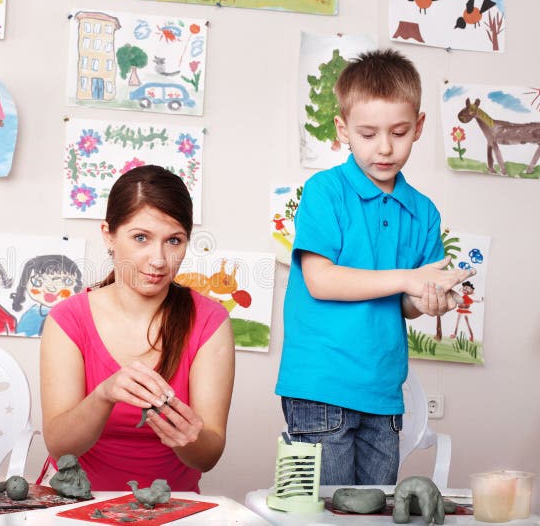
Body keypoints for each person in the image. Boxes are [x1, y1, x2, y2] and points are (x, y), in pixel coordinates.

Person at [275, 49, 476, 485]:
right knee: (322, 512)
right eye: (368, 134)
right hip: (319, 385)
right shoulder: (324, 192)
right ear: (343, 130)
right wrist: (409, 277)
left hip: (385, 391)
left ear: (418, 127)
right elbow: (321, 280)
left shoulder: (423, 212)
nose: (384, 148)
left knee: (377, 511)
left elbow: (405, 304)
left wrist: (429, 299)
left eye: (399, 132)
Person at [40, 165, 235, 492]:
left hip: (174, 508)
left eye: (174, 240)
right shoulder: (68, 319)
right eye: (141, 238)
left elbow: (207, 457)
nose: (158, 260)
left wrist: (189, 438)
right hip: (78, 503)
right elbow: (60, 447)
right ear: (108, 235)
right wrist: (104, 395)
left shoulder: (210, 321)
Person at [12, 254, 84, 337]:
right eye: (37, 281)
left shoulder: (73, 318)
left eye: (65, 281)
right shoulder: (30, 317)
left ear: (77, 285)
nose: (51, 289)